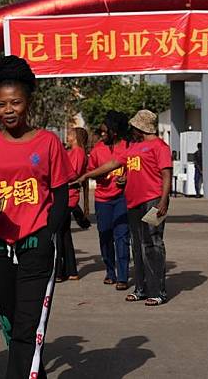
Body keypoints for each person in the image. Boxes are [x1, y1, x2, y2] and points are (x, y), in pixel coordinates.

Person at [0, 55, 74, 379]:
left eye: (15, 102)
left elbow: (61, 195)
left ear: (28, 103)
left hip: (36, 242)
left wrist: (47, 237)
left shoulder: (48, 142)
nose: (8, 110)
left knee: (28, 322)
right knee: (11, 315)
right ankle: (31, 370)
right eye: (1, 104)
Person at [78, 109, 172, 306]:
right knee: (137, 246)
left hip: (153, 202)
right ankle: (141, 289)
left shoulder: (160, 147)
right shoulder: (134, 148)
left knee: (153, 245)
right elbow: (113, 164)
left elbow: (166, 176)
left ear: (141, 127)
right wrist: (88, 175)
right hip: (133, 203)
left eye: (134, 126)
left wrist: (163, 201)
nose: (131, 130)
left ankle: (158, 292)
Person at [87, 111, 131, 290]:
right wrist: (99, 177)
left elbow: (135, 169)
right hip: (102, 199)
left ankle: (122, 277)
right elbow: (91, 171)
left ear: (115, 131)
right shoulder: (97, 149)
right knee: (105, 235)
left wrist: (127, 179)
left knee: (121, 237)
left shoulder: (128, 146)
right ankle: (110, 271)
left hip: (122, 199)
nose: (102, 134)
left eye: (105, 131)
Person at [56, 127, 89, 282]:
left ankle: (59, 271)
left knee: (58, 232)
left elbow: (73, 173)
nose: (67, 136)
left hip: (67, 196)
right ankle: (71, 270)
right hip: (67, 195)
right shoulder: (73, 152)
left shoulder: (77, 152)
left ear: (75, 137)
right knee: (64, 234)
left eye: (69, 134)